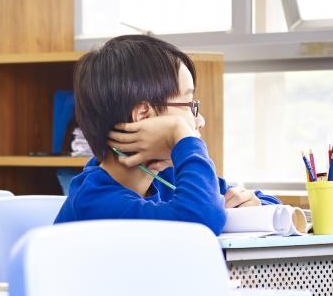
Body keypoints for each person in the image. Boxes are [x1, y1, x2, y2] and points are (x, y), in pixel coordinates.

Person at [54, 34, 276, 234]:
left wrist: (252, 206)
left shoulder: (163, 177)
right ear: (143, 116)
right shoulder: (96, 204)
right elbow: (200, 222)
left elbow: (270, 204)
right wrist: (180, 135)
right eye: (190, 104)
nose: (200, 120)